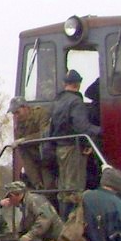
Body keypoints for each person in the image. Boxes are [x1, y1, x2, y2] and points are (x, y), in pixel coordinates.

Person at [48, 70, 99, 214]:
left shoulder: (57, 102)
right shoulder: (76, 102)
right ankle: (72, 227)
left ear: (65, 83)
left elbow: (51, 128)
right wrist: (101, 131)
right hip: (73, 149)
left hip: (60, 149)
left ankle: (64, 222)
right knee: (74, 191)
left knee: (64, 189)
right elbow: (81, 127)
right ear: (78, 84)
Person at [10, 97, 55, 194]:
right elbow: (24, 156)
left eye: (18, 112)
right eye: (14, 114)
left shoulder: (41, 114)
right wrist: (36, 181)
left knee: (50, 188)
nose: (16, 116)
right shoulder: (18, 126)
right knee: (38, 190)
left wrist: (25, 140)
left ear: (25, 107)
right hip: (34, 161)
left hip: (49, 159)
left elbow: (45, 134)